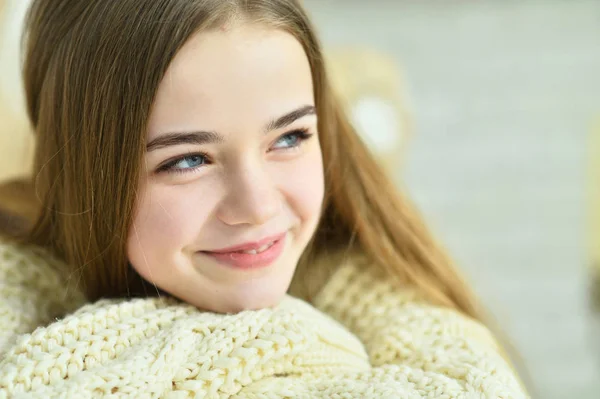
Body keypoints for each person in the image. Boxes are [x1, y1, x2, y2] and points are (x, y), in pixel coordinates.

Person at [0, 0, 528, 397]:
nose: (256, 206)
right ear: (83, 172)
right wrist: (307, 341)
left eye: (290, 138)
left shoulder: (399, 304)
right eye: (187, 160)